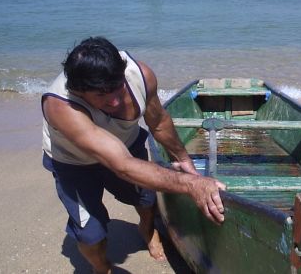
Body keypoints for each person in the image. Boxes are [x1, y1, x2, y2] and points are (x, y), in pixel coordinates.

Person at [42, 36, 225, 274]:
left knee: (146, 200)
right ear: (79, 92)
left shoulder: (140, 74)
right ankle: (102, 267)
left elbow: (158, 121)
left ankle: (147, 230)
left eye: (117, 87)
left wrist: (183, 159)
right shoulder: (61, 106)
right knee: (90, 233)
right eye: (102, 95)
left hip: (125, 145)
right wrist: (192, 184)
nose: (116, 99)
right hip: (74, 163)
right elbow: (123, 166)